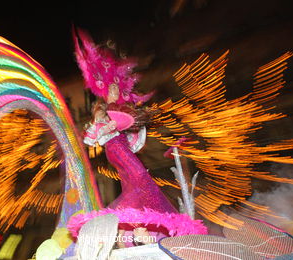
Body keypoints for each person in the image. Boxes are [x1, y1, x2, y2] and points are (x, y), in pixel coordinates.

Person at [67, 27, 207, 247]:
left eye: (116, 86)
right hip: (115, 147)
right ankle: (129, 216)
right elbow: (92, 137)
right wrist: (111, 116)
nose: (114, 88)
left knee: (135, 183)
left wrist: (129, 120)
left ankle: (133, 224)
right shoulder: (103, 109)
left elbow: (132, 134)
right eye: (111, 86)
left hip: (122, 147)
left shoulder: (119, 105)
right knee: (140, 177)